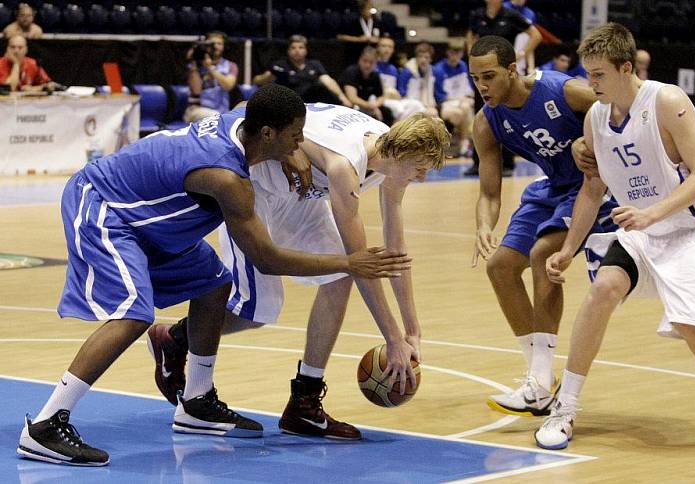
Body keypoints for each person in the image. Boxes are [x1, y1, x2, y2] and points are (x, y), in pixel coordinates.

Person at [16, 84, 411, 466]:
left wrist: (290, 152)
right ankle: (47, 424)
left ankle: (197, 401)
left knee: (215, 283)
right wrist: (347, 263)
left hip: (150, 217)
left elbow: (244, 102)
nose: (302, 144)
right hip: (104, 204)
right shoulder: (228, 177)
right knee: (135, 314)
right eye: (295, 136)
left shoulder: (244, 122)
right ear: (269, 133)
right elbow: (267, 258)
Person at [534, 23, 695, 456]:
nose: (589, 83)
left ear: (625, 67)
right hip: (642, 233)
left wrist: (652, 212)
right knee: (601, 292)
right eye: (587, 73)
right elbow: (592, 190)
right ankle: (566, 406)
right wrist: (568, 249)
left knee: (692, 325)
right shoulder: (596, 117)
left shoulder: (667, 101)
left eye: (598, 75)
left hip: (691, 231)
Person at [146, 105, 450, 440]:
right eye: (420, 168)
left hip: (301, 194)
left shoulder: (389, 154)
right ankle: (175, 341)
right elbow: (361, 260)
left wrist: (412, 331)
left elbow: (394, 254)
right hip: (255, 189)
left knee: (338, 276)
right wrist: (393, 340)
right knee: (260, 310)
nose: (422, 177)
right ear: (401, 151)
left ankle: (304, 401)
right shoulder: (344, 165)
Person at [468, 35, 617, 417]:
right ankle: (539, 378)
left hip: (594, 187)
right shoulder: (486, 122)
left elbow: (615, 105)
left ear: (512, 70)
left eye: (489, 76)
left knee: (543, 253)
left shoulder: (562, 90)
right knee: (499, 266)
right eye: (475, 78)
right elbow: (488, 192)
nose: (482, 86)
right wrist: (485, 225)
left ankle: (538, 382)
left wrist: (591, 141)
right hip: (553, 187)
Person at [465, 0, 540, 176]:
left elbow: (536, 35)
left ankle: (507, 162)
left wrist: (521, 54)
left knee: (506, 114)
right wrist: (471, 58)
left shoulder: (511, 15)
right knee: (480, 114)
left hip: (502, 74)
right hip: (482, 73)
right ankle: (477, 163)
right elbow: (470, 36)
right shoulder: (477, 15)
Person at [253, 35, 352, 108]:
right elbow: (258, 80)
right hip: (288, 101)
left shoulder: (314, 64)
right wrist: (268, 77)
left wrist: (342, 97)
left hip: (311, 101)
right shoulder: (280, 65)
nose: (297, 50)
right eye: (293, 48)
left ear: (306, 50)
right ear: (288, 51)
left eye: (301, 47)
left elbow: (328, 81)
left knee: (321, 86)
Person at [184, 31, 238, 122]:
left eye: (219, 43)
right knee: (216, 117)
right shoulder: (195, 65)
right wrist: (193, 61)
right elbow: (196, 90)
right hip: (196, 111)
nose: (215, 46)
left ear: (224, 47)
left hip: (222, 112)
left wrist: (210, 68)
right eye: (212, 43)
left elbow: (228, 86)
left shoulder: (230, 66)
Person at [434, 42, 475, 157]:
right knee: (465, 108)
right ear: (448, 53)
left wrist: (467, 98)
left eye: (458, 53)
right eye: (453, 53)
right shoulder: (438, 69)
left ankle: (465, 143)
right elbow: (440, 96)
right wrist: (460, 99)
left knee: (466, 106)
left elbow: (469, 89)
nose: (455, 56)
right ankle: (466, 142)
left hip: (462, 101)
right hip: (445, 103)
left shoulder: (463, 66)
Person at [375, 36, 426, 121]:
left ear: (393, 50)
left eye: (390, 47)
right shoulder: (373, 66)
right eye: (384, 46)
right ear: (378, 48)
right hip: (378, 99)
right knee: (398, 109)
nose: (387, 49)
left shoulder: (393, 69)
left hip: (393, 99)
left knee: (417, 105)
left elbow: (399, 90)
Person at [340, 45, 394, 124]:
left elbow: (381, 96)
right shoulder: (351, 72)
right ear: (359, 60)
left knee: (387, 112)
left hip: (367, 106)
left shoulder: (375, 76)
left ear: (376, 63)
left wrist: (375, 105)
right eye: (365, 61)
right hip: (348, 105)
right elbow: (352, 98)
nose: (367, 65)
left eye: (371, 62)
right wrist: (370, 106)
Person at [397, 42, 443, 117]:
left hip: (426, 105)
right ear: (416, 57)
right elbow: (401, 92)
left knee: (434, 114)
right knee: (432, 114)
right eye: (420, 56)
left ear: (431, 59)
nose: (423, 60)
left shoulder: (433, 72)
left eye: (426, 57)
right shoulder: (407, 71)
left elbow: (437, 94)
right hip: (409, 105)